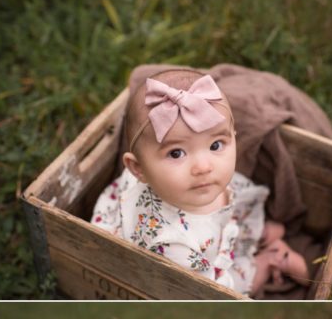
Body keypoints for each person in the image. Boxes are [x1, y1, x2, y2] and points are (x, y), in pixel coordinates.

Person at [90, 69, 308, 296]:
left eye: (215, 145)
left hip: (206, 222)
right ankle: (268, 260)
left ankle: (253, 232)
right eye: (176, 153)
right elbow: (209, 291)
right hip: (194, 268)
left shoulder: (195, 184)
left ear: (234, 136)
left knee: (226, 199)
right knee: (232, 285)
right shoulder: (173, 246)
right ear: (138, 169)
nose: (203, 166)